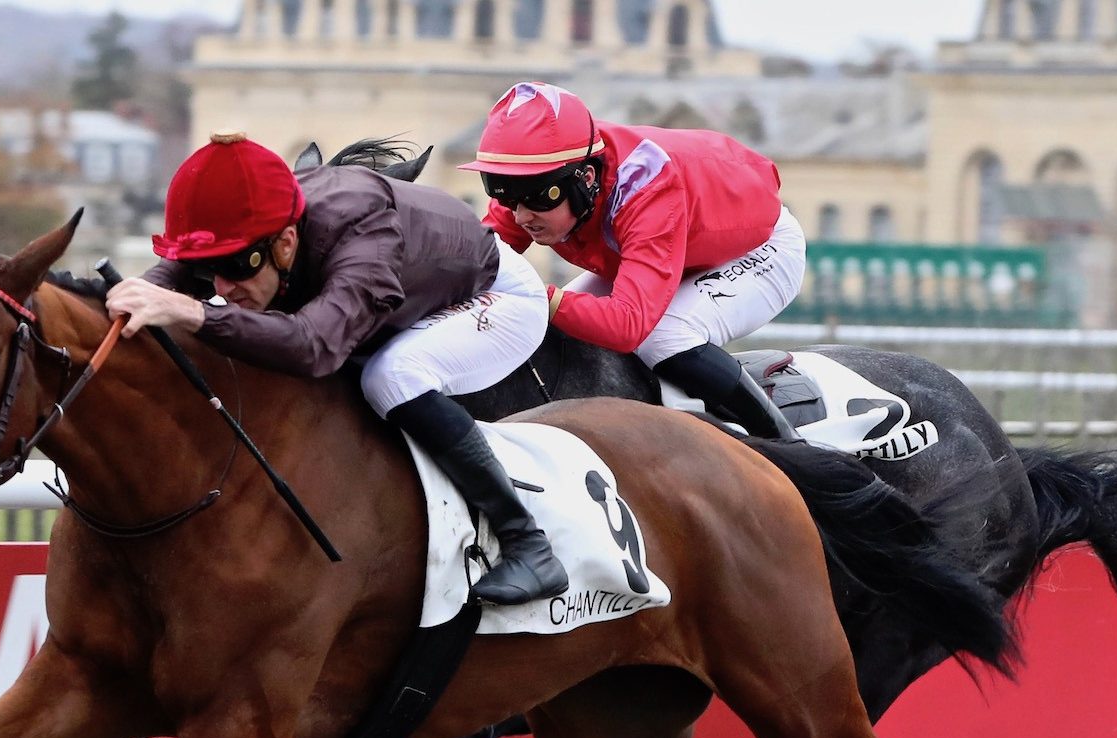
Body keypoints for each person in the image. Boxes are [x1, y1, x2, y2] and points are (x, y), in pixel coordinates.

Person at [105, 131, 567, 605]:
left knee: (390, 376)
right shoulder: (251, 233)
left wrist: (197, 312)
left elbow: (315, 347)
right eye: (208, 269)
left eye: (237, 266)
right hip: (415, 289)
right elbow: (158, 287)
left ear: (286, 243)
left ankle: (527, 543)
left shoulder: (362, 235)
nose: (223, 284)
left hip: (494, 295)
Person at [460, 82, 808, 442]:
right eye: (504, 194)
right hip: (666, 246)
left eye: (534, 198)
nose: (520, 216)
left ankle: (789, 448)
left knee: (663, 337)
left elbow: (627, 327)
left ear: (586, 178)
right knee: (561, 326)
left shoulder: (645, 186)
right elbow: (477, 260)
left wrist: (532, 294)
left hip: (759, 248)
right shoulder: (540, 174)